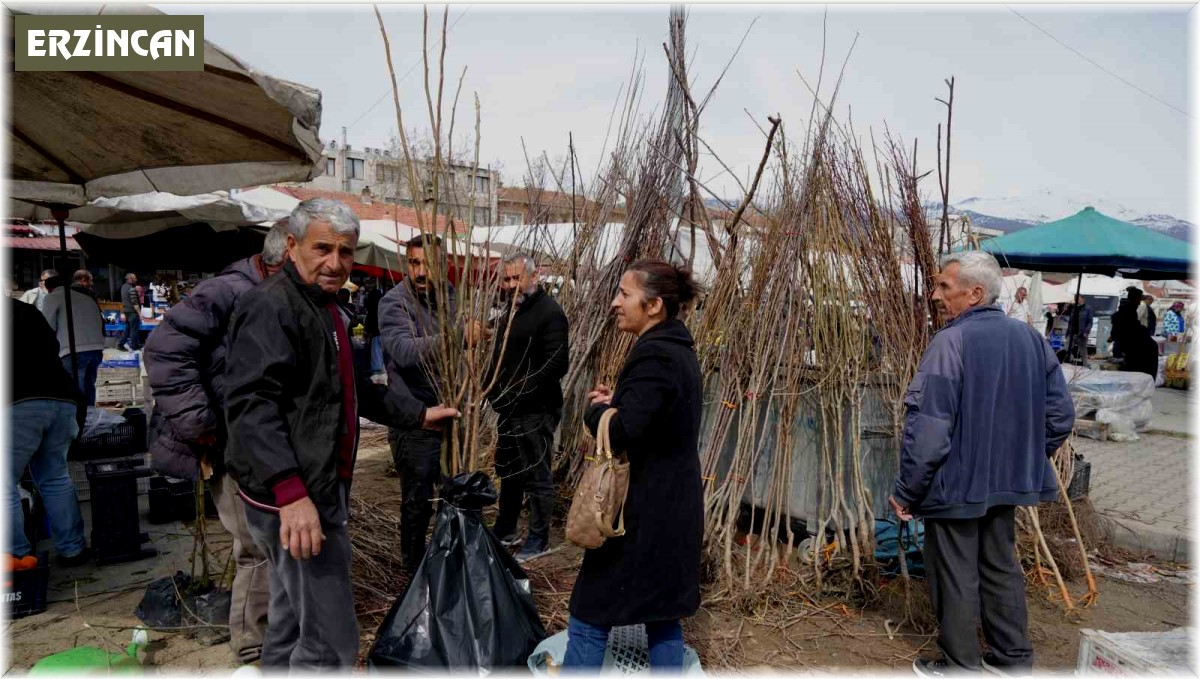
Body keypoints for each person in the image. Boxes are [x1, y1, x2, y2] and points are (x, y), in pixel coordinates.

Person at [224, 199, 459, 670]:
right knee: (331, 638)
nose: (335, 262)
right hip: (294, 495)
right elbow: (251, 407)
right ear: (292, 246)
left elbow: (351, 386)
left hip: (313, 486)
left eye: (346, 252)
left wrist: (416, 415)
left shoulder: (325, 306)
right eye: (323, 248)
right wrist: (291, 493)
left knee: (293, 616)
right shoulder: (272, 307)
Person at [888, 251, 1075, 677]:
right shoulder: (1031, 340)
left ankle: (961, 665)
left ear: (974, 294)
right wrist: (1019, 458)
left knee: (954, 574)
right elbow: (1060, 416)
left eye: (943, 287)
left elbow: (930, 428)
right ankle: (1012, 660)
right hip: (1005, 484)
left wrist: (907, 490)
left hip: (955, 485)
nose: (935, 294)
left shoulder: (950, 343)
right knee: (1000, 566)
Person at [142, 223, 289, 665]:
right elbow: (164, 349)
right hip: (224, 440)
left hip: (256, 438)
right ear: (280, 259)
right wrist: (197, 420)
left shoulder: (275, 292)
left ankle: (271, 631)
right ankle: (251, 644)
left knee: (267, 542)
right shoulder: (227, 291)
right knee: (254, 546)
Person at [564, 259, 703, 670]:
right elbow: (650, 419)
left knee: (589, 615)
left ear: (654, 305)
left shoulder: (656, 356)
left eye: (625, 294)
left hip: (642, 517)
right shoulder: (676, 349)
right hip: (672, 509)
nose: (615, 302)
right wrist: (618, 405)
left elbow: (623, 433)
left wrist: (597, 413)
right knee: (662, 617)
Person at [377, 234, 460, 573]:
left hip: (451, 415)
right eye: (414, 263)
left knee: (453, 495)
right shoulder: (394, 302)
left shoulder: (452, 298)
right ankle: (412, 571)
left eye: (429, 264)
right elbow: (404, 353)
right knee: (418, 502)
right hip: (415, 419)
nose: (421, 272)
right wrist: (456, 337)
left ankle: (446, 562)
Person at [485, 253, 570, 562]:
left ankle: (538, 538)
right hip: (508, 407)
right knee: (509, 470)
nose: (510, 285)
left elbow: (557, 363)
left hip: (535, 408)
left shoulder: (550, 313)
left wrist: (520, 390)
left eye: (515, 278)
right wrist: (492, 388)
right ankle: (505, 528)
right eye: (505, 279)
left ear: (534, 278)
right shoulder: (512, 310)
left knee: (536, 473)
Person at [7, 298, 90, 567]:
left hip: (19, 401)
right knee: (54, 476)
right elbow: (53, 347)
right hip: (61, 397)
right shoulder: (26, 309)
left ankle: (15, 558)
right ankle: (73, 549)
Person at [41, 271, 106, 407]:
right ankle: (89, 418)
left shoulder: (54, 297)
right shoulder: (86, 297)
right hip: (96, 348)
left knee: (74, 390)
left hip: (74, 350)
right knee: (89, 387)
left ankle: (78, 423)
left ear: (49, 289)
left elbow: (47, 327)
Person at [1111, 290, 1158, 379]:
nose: (1140, 301)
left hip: (1133, 338)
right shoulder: (1128, 309)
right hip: (1130, 340)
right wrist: (1141, 329)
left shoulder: (1131, 308)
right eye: (1139, 298)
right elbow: (1129, 325)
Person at [363, 279, 386, 376]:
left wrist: (369, 334)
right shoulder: (385, 307)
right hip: (386, 337)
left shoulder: (372, 310)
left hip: (377, 336)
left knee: (377, 365)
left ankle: (379, 380)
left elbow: (370, 325)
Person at [1065, 294, 1093, 367]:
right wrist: (1068, 306)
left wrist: (1086, 331)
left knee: (1083, 350)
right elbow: (1068, 316)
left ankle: (1085, 364)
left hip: (1081, 332)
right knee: (1067, 347)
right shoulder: (1073, 308)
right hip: (1072, 332)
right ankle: (1069, 362)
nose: (1077, 300)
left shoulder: (1087, 308)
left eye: (1079, 298)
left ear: (1083, 299)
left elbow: (1090, 322)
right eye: (1075, 299)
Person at [120, 272, 142, 351]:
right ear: (130, 279)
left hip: (126, 311)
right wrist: (140, 314)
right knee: (134, 330)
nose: (136, 279)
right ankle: (135, 347)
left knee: (127, 329)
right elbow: (135, 303)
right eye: (134, 278)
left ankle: (120, 344)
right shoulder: (131, 289)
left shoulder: (123, 287)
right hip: (132, 312)